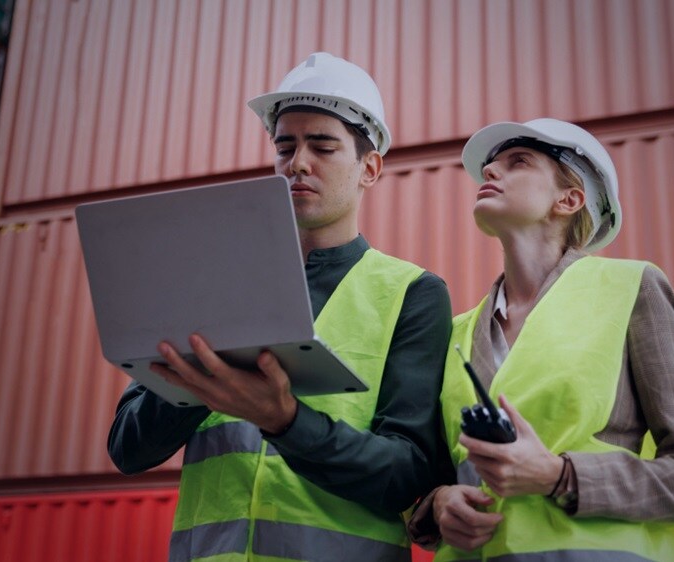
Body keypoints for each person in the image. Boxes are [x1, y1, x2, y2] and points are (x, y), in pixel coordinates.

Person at [107, 52, 453, 562]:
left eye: (323, 146)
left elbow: (409, 474)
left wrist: (286, 421)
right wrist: (205, 370)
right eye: (285, 147)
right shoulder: (212, 286)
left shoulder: (413, 293)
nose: (298, 163)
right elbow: (127, 448)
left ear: (369, 168)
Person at [408, 118, 674, 561]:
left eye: (518, 161)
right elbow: (433, 475)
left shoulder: (630, 289)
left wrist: (559, 476)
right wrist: (440, 502)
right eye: (490, 166)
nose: (490, 171)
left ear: (569, 199)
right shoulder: (456, 333)